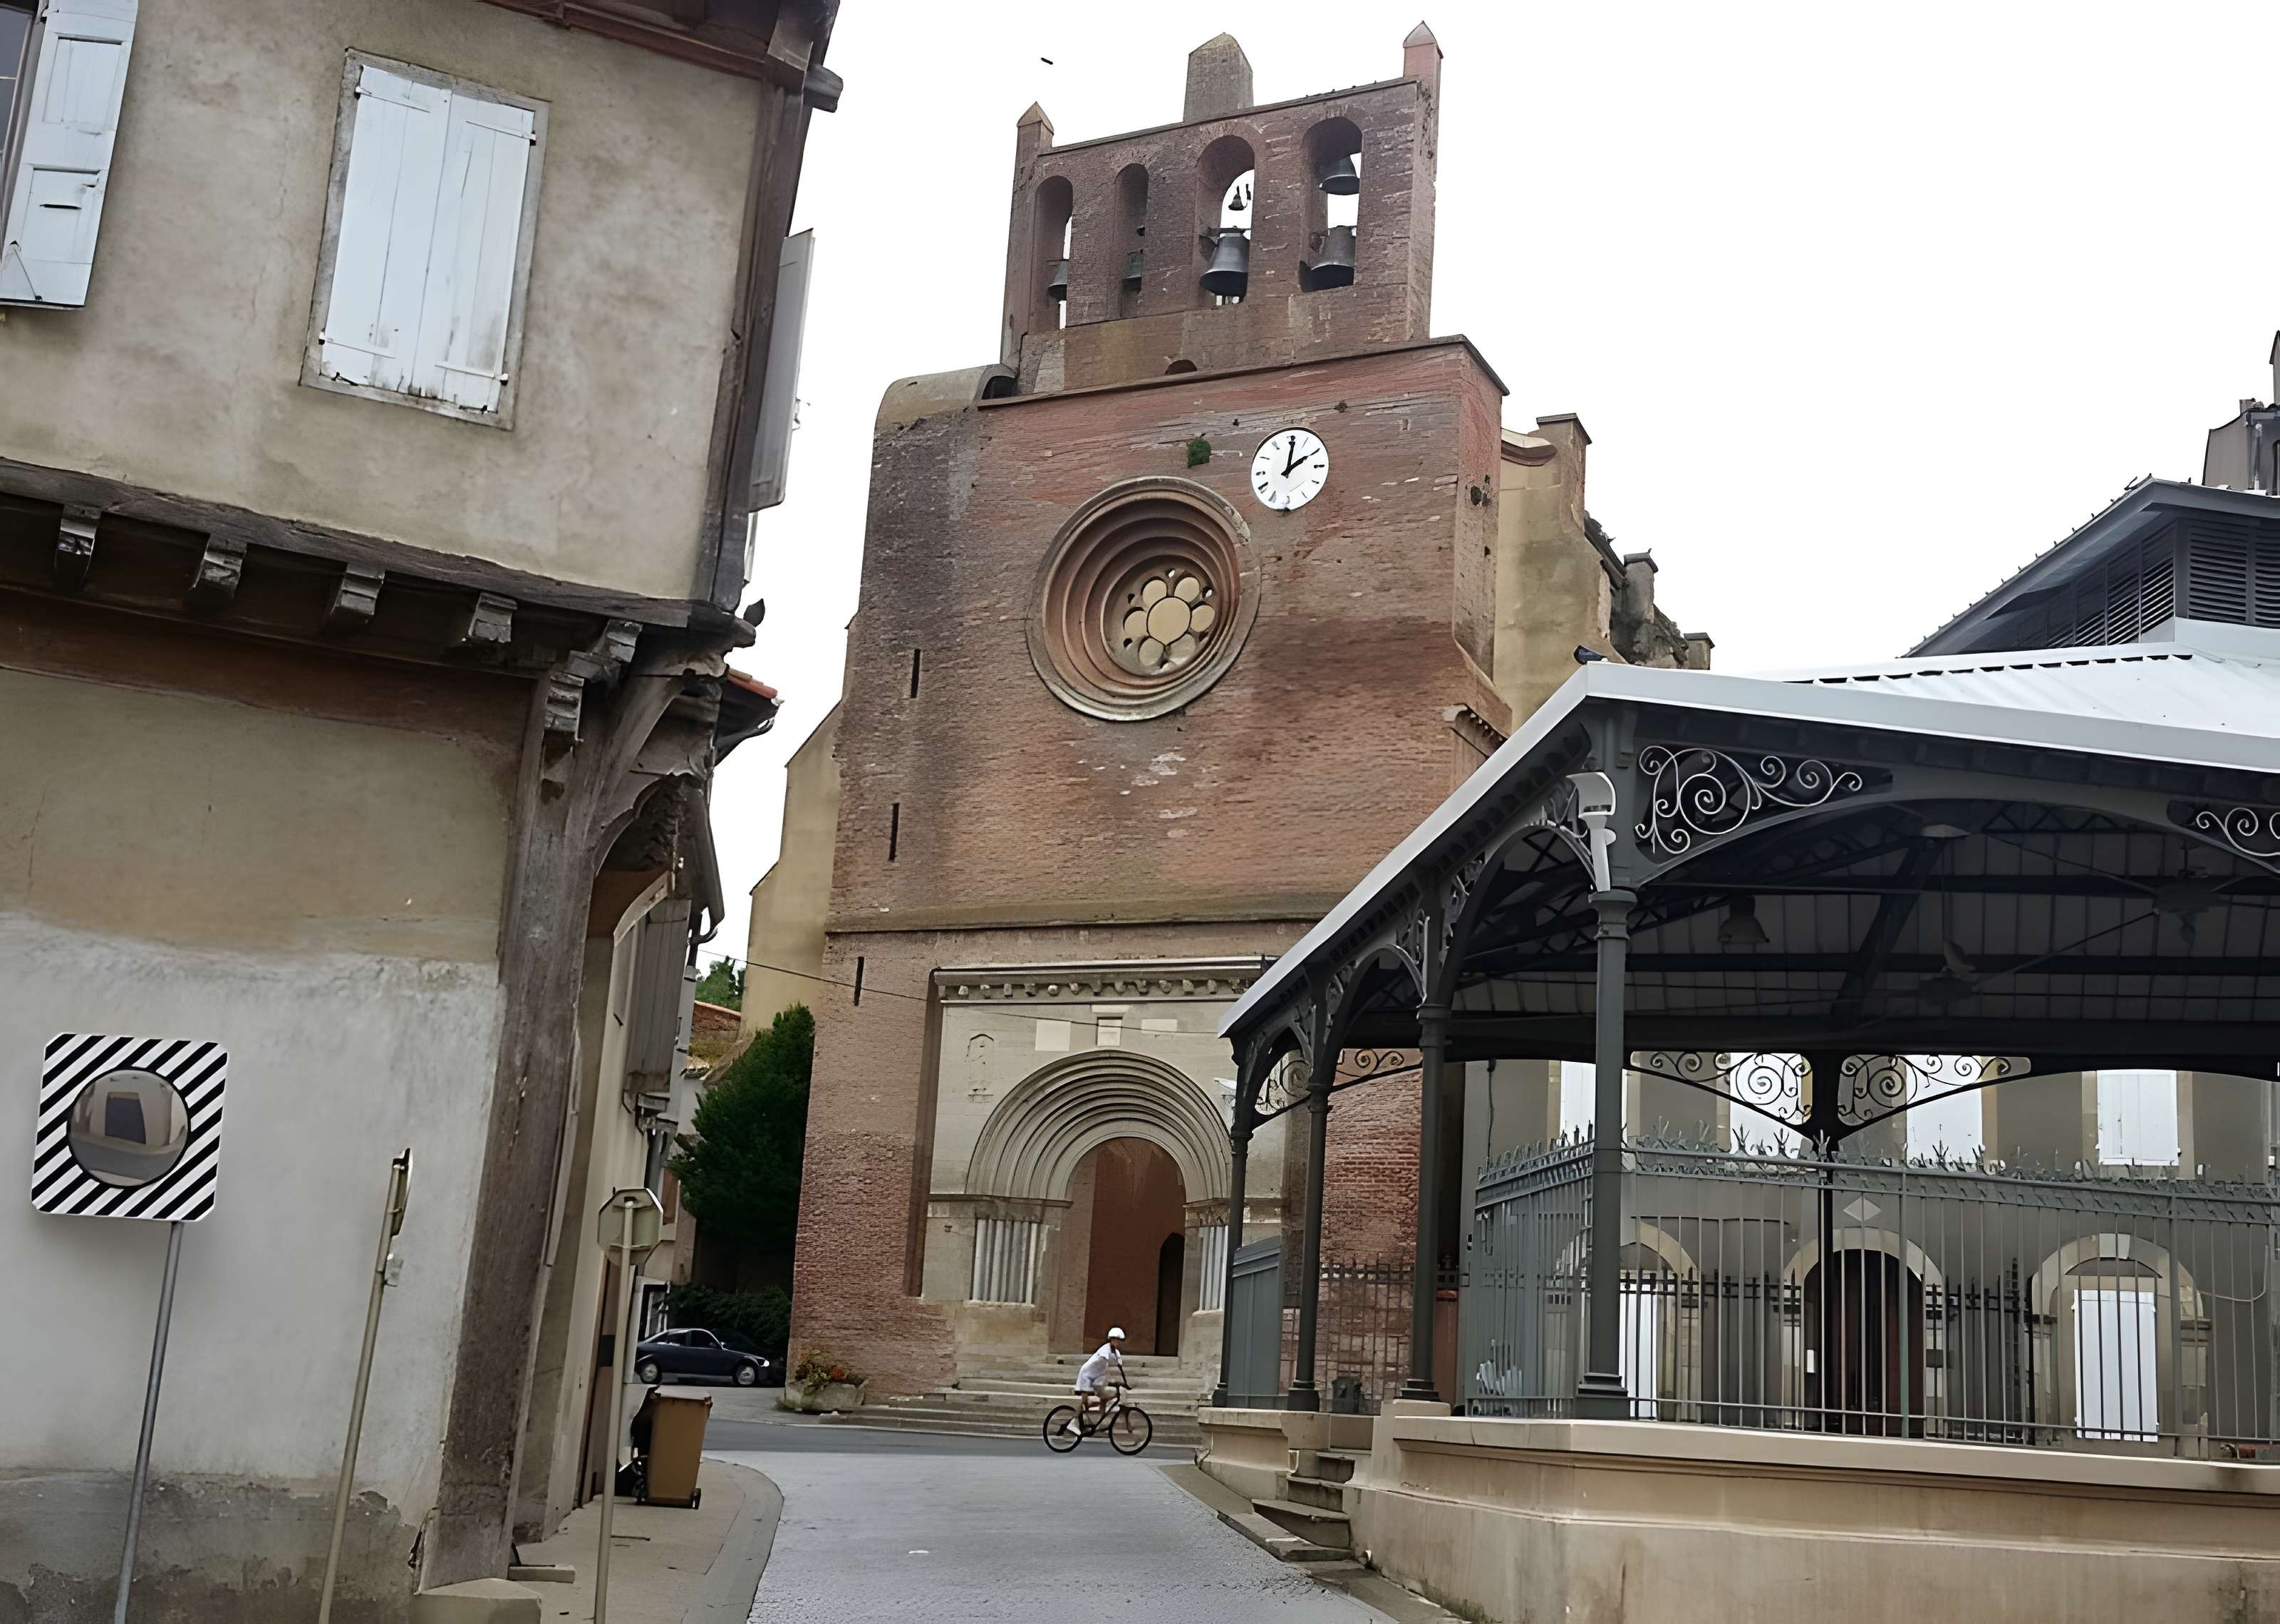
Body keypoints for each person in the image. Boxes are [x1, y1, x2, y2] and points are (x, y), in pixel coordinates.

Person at [1064, 1327, 1126, 1434]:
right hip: (1087, 1376)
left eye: (1118, 1340)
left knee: (1105, 1397)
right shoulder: (1105, 1349)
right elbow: (1107, 1366)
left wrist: (1125, 1382)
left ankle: (1101, 1425)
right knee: (1085, 1404)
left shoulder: (1116, 1353)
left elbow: (1119, 1368)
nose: (1116, 1341)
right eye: (1114, 1339)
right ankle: (1073, 1423)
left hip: (1097, 1377)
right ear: (1110, 1340)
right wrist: (1112, 1380)